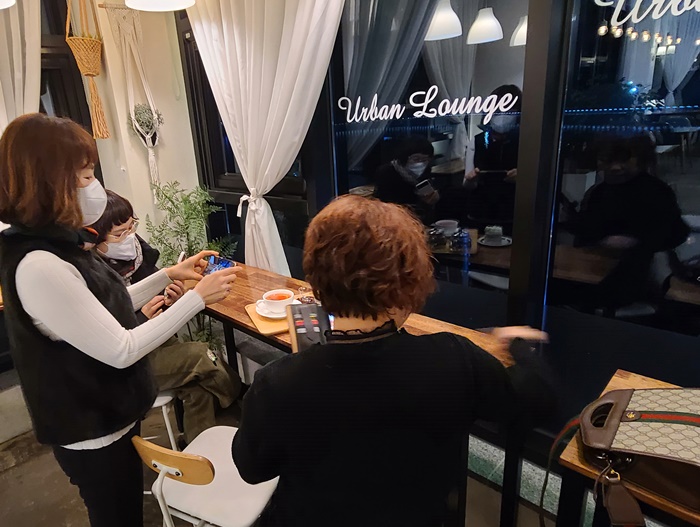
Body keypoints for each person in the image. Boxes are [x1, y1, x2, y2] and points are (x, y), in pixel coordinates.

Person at [231, 195, 553, 527]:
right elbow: (537, 400)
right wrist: (518, 347)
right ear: (405, 282)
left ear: (317, 282)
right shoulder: (455, 359)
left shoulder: (278, 383)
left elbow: (252, 469)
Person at [0, 114, 240, 527]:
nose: (94, 186)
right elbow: (120, 348)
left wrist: (169, 275)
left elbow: (96, 311)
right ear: (50, 182)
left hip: (111, 412)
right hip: (91, 429)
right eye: (85, 175)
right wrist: (197, 299)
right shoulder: (40, 265)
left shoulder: (58, 245)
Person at [91, 190, 241, 445]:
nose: (129, 237)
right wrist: (142, 318)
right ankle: (241, 402)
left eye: (131, 226)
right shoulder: (93, 272)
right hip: (125, 363)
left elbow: (157, 291)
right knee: (199, 355)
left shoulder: (138, 254)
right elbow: (107, 332)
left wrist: (171, 297)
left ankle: (198, 451)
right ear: (94, 238)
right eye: (119, 234)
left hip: (155, 340)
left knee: (199, 387)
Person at [566, 134, 689, 309]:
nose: (615, 167)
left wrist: (636, 241)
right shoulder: (599, 192)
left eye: (623, 160)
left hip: (640, 273)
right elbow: (587, 229)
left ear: (640, 160)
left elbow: (676, 233)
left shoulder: (656, 191)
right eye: (607, 160)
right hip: (599, 266)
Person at [462, 85, 522, 231]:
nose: (502, 115)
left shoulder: (525, 141)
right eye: (497, 110)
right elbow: (467, 184)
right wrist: (471, 179)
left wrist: (523, 178)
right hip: (480, 212)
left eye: (510, 111)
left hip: (513, 213)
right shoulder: (477, 140)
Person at [373, 136, 439, 222]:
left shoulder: (426, 171)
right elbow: (384, 204)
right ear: (404, 157)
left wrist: (431, 199)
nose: (420, 163)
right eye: (416, 159)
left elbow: (426, 204)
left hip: (418, 218)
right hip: (394, 218)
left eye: (425, 160)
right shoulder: (387, 172)